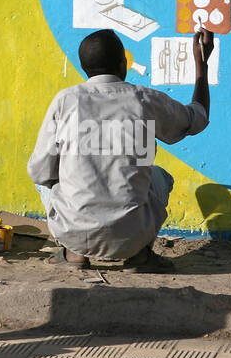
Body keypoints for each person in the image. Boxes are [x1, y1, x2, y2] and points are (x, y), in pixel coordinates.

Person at [28, 27, 214, 271]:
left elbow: (40, 172)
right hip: (132, 236)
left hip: (74, 232)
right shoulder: (144, 100)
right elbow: (197, 118)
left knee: (47, 178)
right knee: (159, 175)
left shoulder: (66, 101)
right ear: (122, 64)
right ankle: (140, 257)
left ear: (85, 67)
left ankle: (73, 254)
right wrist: (202, 65)